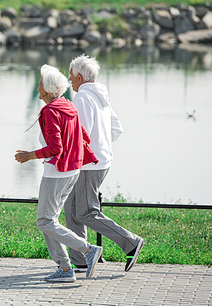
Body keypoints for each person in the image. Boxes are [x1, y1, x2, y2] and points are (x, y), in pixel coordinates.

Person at [15, 64, 102, 283]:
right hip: (72, 171)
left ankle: (88, 249)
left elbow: (55, 148)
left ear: (48, 88)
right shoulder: (68, 106)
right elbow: (84, 136)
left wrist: (29, 155)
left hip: (55, 174)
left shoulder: (51, 111)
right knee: (49, 220)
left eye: (40, 84)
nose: (37, 89)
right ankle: (65, 269)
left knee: (44, 221)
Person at [66, 54, 144, 274]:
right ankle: (81, 260)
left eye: (71, 76)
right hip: (101, 160)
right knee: (71, 208)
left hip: (87, 164)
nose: (70, 80)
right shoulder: (100, 96)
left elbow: (82, 135)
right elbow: (116, 129)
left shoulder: (82, 98)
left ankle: (131, 243)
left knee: (85, 212)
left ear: (79, 76)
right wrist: (102, 145)